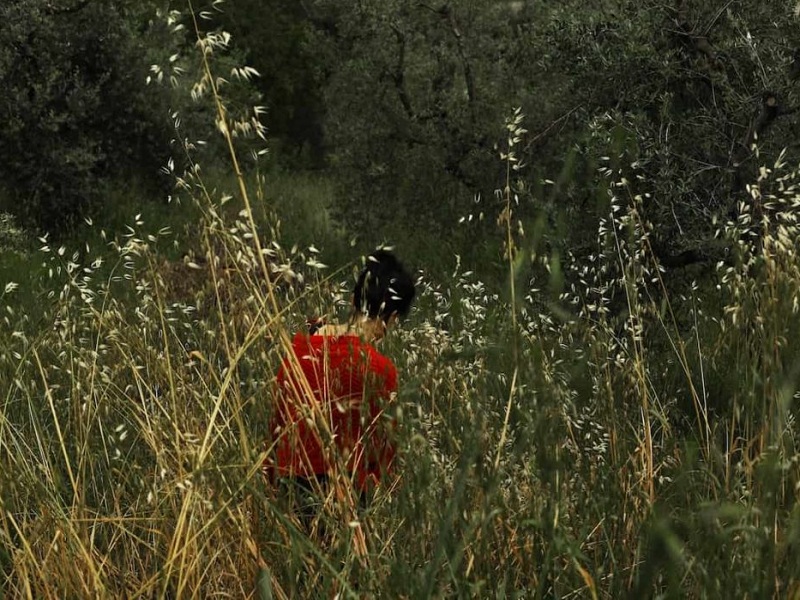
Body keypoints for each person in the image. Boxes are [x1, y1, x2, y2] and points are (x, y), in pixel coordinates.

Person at [266, 250, 416, 529]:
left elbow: (276, 430)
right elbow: (384, 459)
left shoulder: (298, 350)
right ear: (392, 318)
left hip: (288, 504)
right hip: (345, 510)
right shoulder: (381, 371)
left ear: (353, 300)